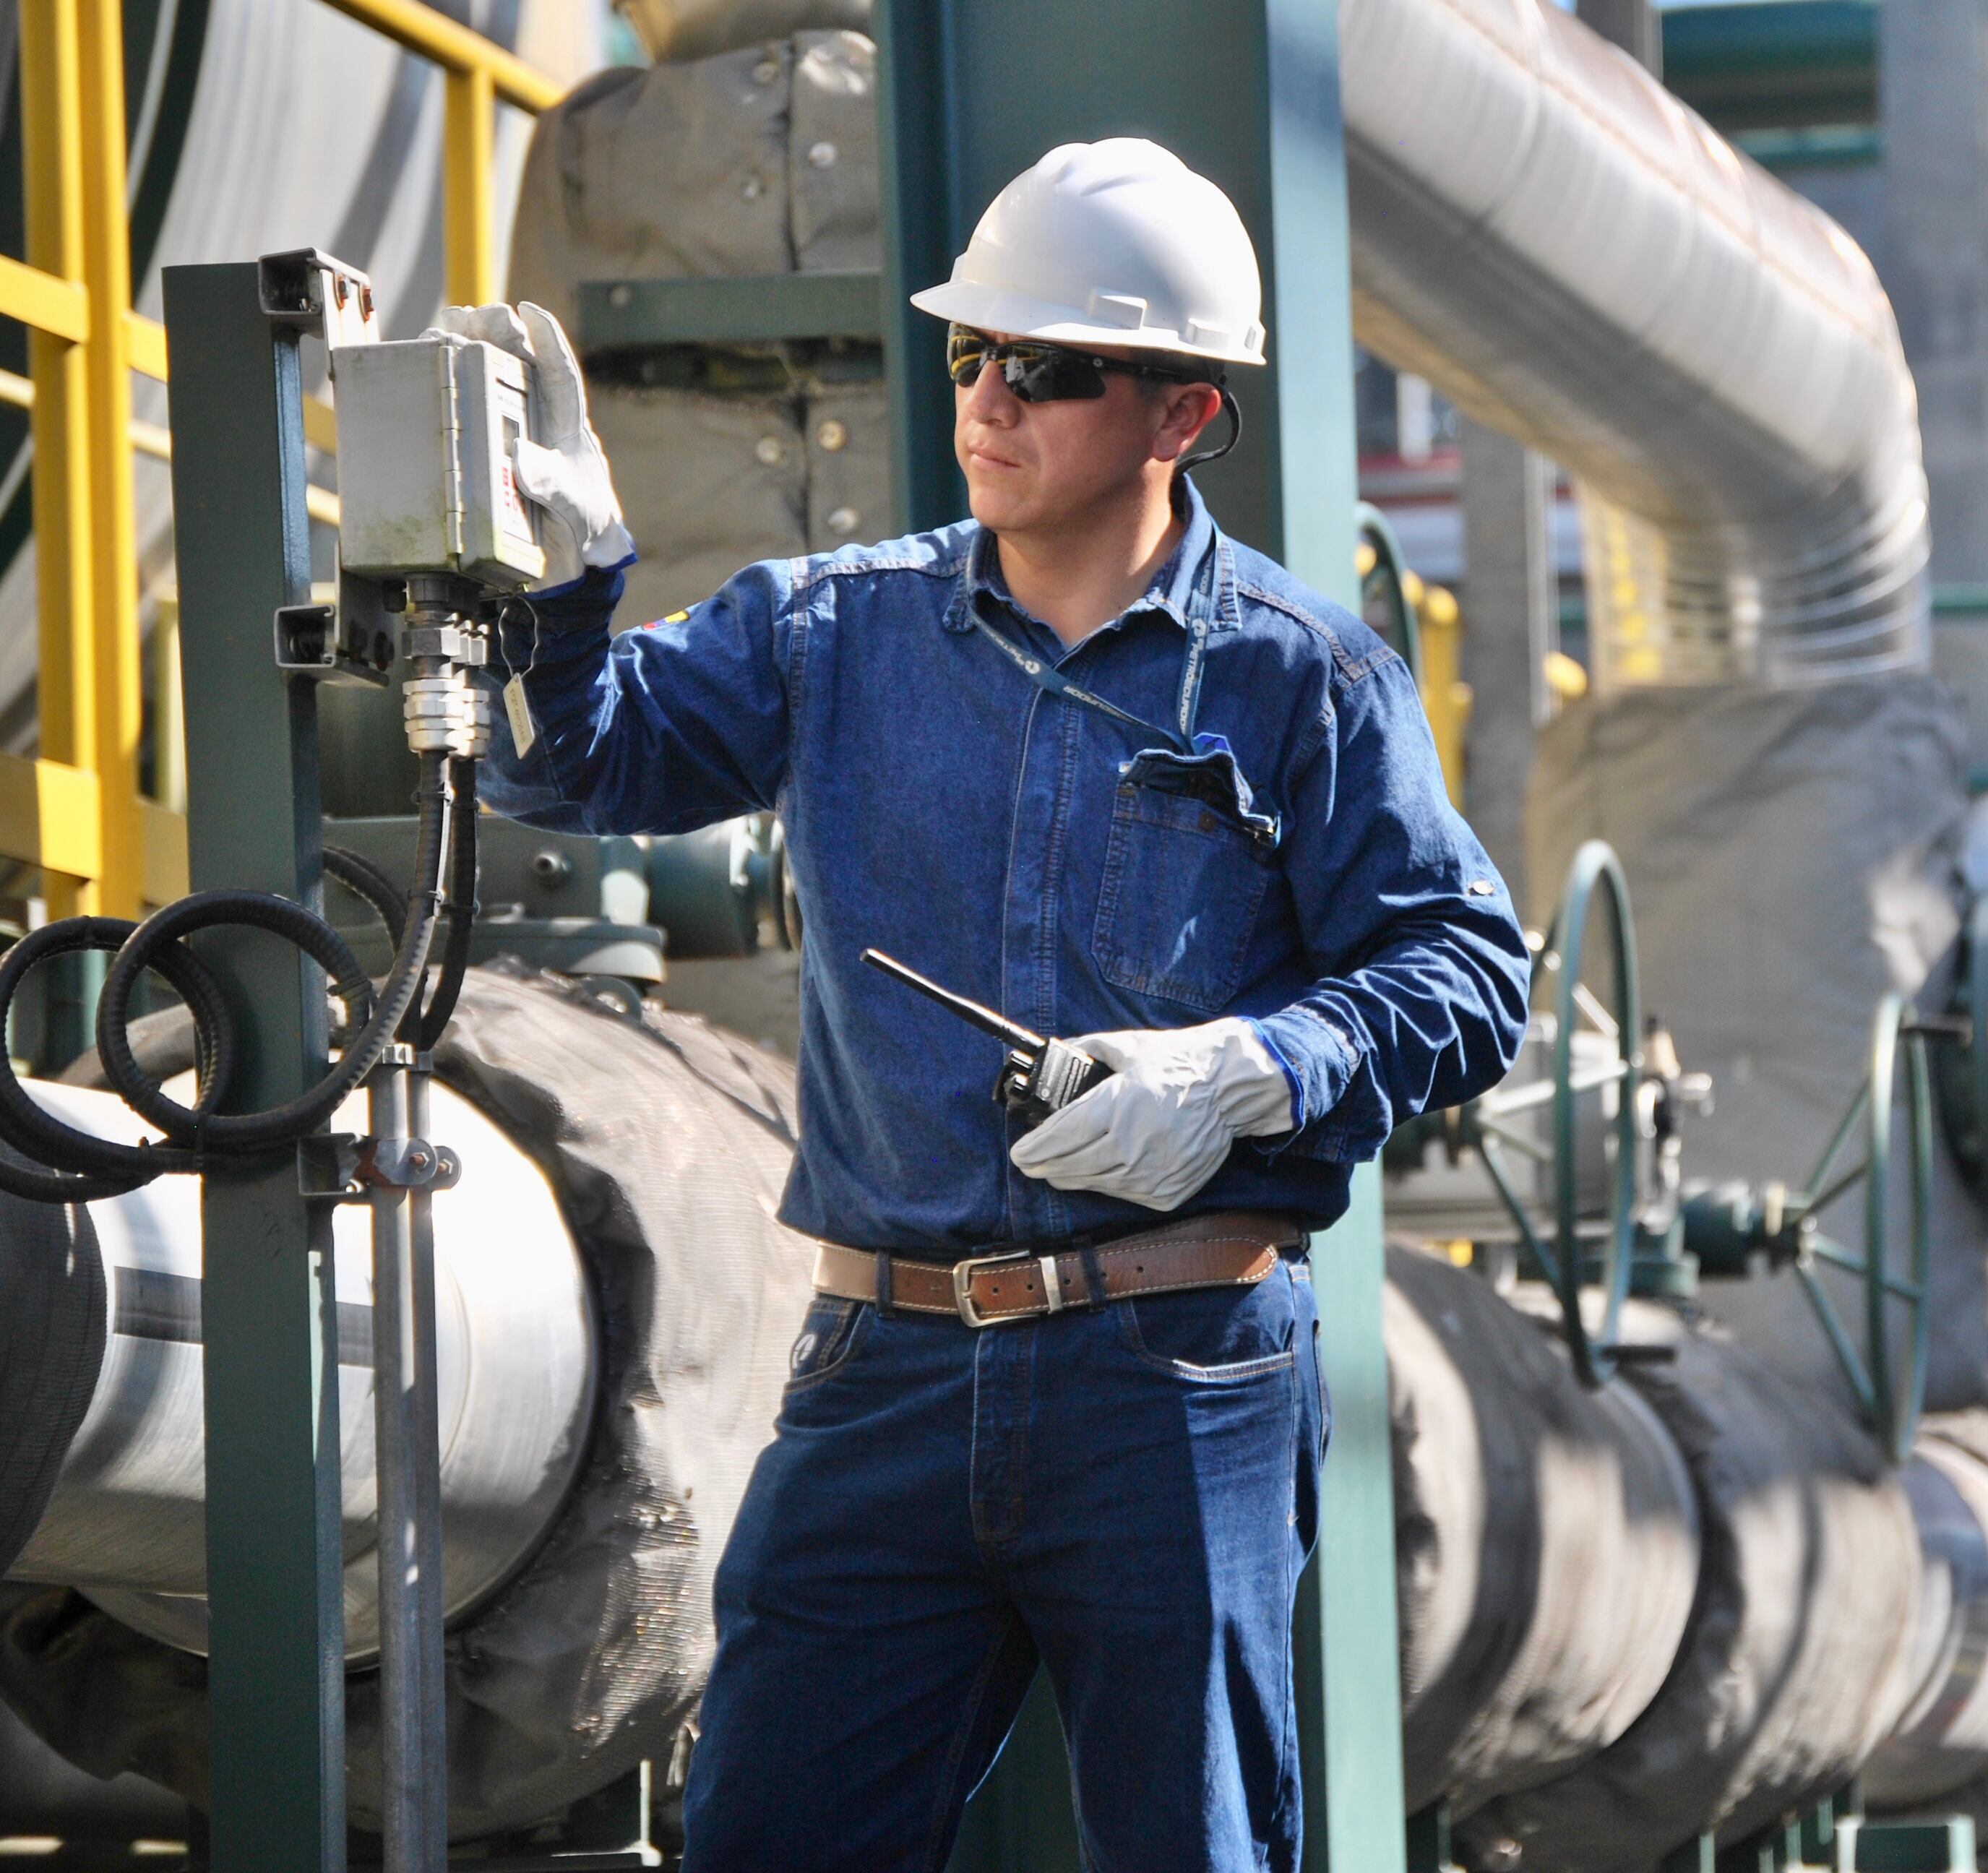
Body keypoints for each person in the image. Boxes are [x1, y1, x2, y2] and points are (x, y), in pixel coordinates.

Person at [442, 137, 1529, 1872]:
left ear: (1184, 414)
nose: (986, 398)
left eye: (1045, 365)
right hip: (883, 1371)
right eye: (968, 353)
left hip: (1174, 1379)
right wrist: (557, 589)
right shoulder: (830, 633)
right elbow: (576, 765)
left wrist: (1245, 1070)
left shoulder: (1301, 678)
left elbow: (1468, 971)